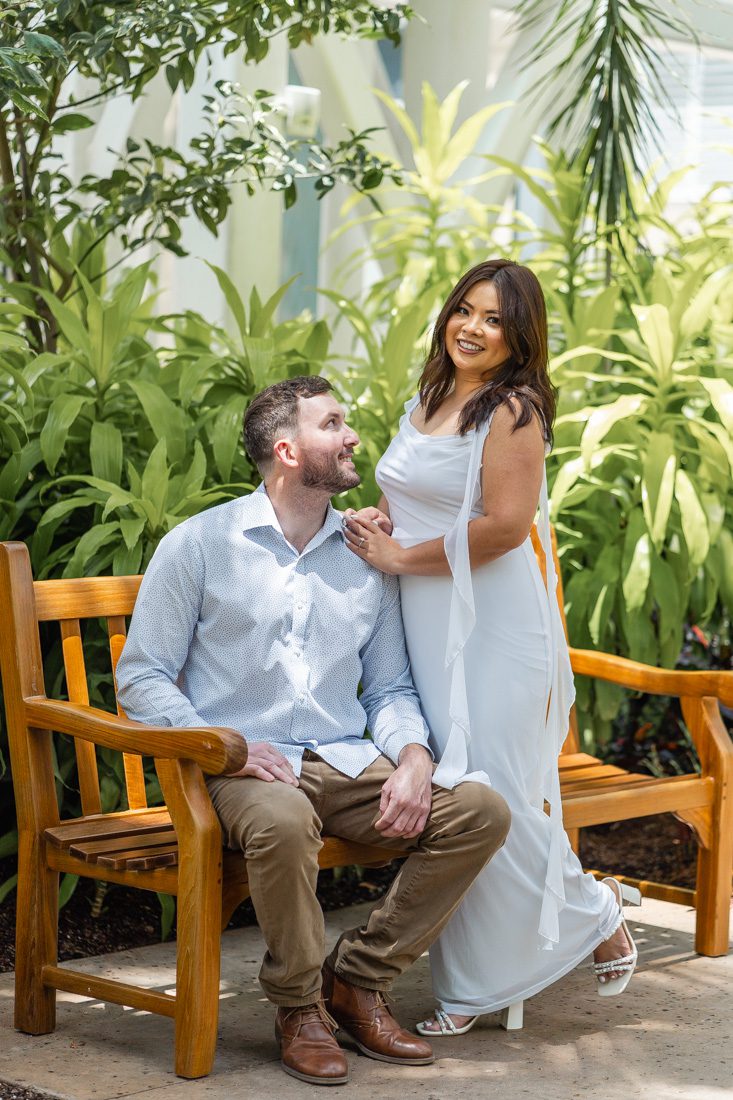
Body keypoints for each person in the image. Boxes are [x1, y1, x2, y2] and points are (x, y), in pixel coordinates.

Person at [115, 375, 511, 1085]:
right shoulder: (201, 545)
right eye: (332, 425)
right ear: (287, 450)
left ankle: (356, 979)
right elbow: (141, 678)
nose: (352, 436)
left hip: (341, 759)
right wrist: (225, 747)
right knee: (284, 822)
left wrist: (416, 757)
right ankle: (298, 1007)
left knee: (478, 810)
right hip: (245, 769)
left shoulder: (364, 556)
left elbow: (387, 686)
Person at [341, 259, 640, 1037]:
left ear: (518, 337)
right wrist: (378, 523)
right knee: (458, 789)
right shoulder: (430, 396)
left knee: (496, 789)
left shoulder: (513, 411)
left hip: (494, 627)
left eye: (494, 319)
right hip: (425, 619)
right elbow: (409, 494)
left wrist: (399, 558)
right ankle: (479, 978)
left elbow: (505, 529)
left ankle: (583, 918)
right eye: (464, 311)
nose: (472, 327)